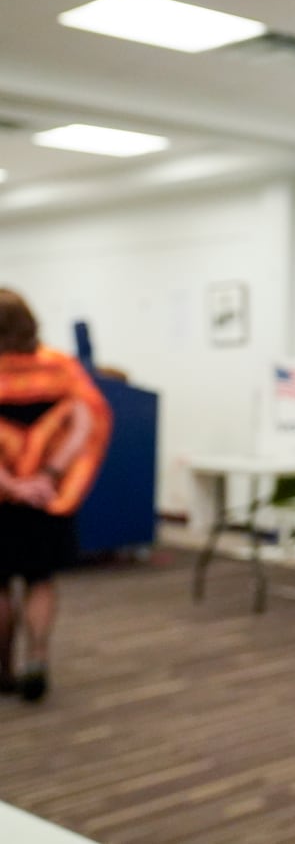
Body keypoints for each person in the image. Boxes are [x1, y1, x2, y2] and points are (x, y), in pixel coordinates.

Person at [0, 288, 111, 703]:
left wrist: (13, 485)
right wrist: (48, 475)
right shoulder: (61, 369)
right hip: (49, 497)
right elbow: (88, 422)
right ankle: (38, 658)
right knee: (40, 579)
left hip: (4, 498)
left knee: (0, 585)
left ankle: (4, 669)